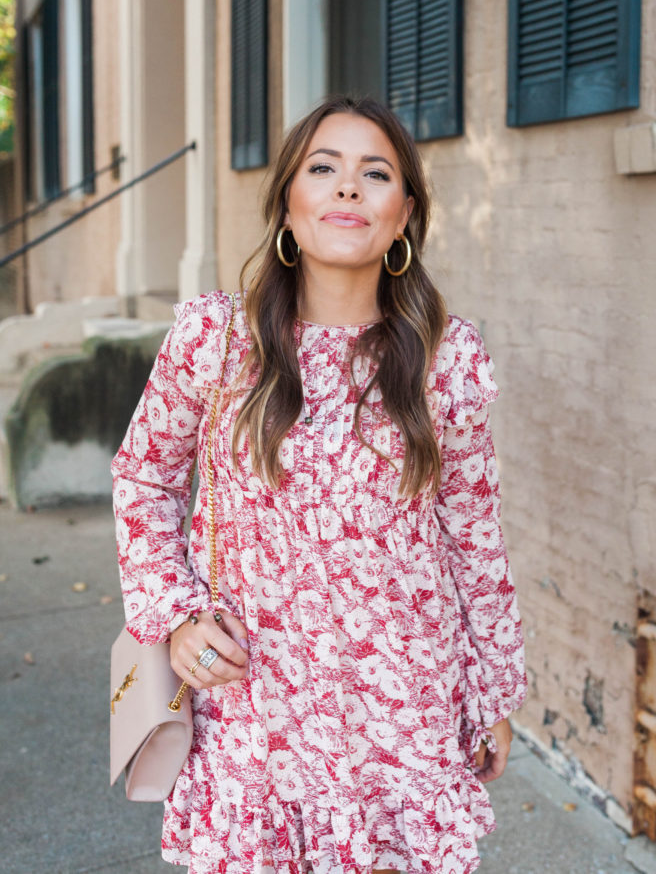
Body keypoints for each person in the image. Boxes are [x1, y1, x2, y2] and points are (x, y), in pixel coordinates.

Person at [111, 93, 528, 874]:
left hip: (402, 713)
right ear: (289, 207)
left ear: (402, 215)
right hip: (253, 707)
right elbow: (143, 478)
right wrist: (173, 617)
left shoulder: (447, 358)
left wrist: (492, 693)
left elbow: (475, 537)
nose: (347, 188)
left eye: (375, 173)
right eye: (323, 168)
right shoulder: (215, 338)